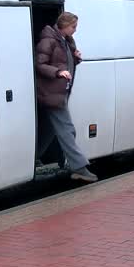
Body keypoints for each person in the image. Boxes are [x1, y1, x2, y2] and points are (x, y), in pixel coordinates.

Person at [34, 12, 98, 182]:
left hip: (59, 92)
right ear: (64, 25)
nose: (75, 30)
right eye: (73, 26)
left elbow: (63, 62)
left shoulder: (65, 41)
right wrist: (58, 72)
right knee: (67, 129)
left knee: (49, 128)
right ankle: (79, 168)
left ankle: (34, 156)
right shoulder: (49, 40)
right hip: (51, 93)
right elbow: (39, 65)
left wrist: (75, 59)